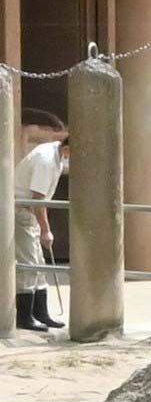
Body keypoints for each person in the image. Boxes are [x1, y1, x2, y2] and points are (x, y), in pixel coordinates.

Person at [14, 109, 69, 332]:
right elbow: (38, 199)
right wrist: (46, 230)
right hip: (22, 212)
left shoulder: (57, 154)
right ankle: (25, 317)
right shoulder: (46, 159)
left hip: (30, 213)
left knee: (39, 262)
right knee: (28, 263)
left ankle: (41, 312)